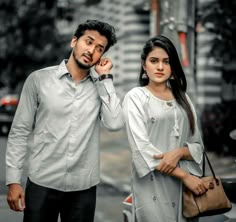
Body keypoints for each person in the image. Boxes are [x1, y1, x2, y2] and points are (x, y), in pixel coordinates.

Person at [5, 19, 124, 222]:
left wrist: (105, 79)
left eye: (99, 48)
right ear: (74, 41)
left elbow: (115, 123)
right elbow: (19, 131)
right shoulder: (38, 80)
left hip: (83, 188)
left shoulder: (101, 87)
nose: (91, 50)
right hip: (42, 182)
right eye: (88, 42)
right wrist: (13, 181)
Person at [122, 35, 208, 222]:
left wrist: (178, 153)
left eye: (166, 62)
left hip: (185, 192)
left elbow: (198, 146)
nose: (160, 67)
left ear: (173, 66)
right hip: (152, 187)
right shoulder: (136, 97)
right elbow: (141, 150)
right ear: (144, 65)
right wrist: (184, 176)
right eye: (154, 61)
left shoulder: (183, 99)